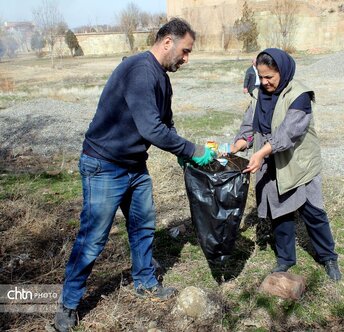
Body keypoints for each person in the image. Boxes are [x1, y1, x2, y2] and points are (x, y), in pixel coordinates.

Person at [54, 18, 215, 332]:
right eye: (184, 51)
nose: (186, 59)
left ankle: (145, 282)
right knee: (92, 240)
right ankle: (67, 304)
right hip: (104, 165)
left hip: (134, 167)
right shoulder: (140, 71)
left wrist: (183, 155)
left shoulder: (162, 79)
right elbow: (151, 129)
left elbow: (165, 124)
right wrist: (193, 150)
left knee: (143, 226)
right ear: (167, 41)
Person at [230, 48, 342, 281]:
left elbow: (288, 133)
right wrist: (239, 144)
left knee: (313, 212)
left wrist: (260, 152)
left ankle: (328, 257)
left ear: (283, 71)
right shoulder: (258, 94)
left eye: (269, 76)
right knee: (279, 211)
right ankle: (285, 258)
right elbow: (249, 126)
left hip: (298, 164)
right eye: (261, 77)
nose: (264, 82)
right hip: (270, 162)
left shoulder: (299, 95)